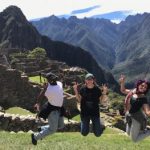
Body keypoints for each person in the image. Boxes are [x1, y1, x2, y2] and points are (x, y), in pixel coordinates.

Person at [31, 72, 64, 145]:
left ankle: (41, 129)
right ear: (50, 80)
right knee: (52, 130)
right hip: (52, 110)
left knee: (61, 126)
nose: (54, 80)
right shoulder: (48, 89)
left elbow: (60, 82)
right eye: (52, 79)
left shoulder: (59, 83)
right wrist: (38, 103)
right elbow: (40, 97)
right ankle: (35, 137)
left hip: (60, 108)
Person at [119, 75, 150, 142]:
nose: (143, 87)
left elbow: (147, 111)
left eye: (145, 87)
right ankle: (142, 130)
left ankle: (148, 131)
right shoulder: (133, 92)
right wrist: (122, 82)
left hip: (137, 118)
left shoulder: (143, 99)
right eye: (142, 85)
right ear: (138, 85)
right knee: (127, 133)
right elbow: (123, 90)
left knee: (134, 140)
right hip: (129, 115)